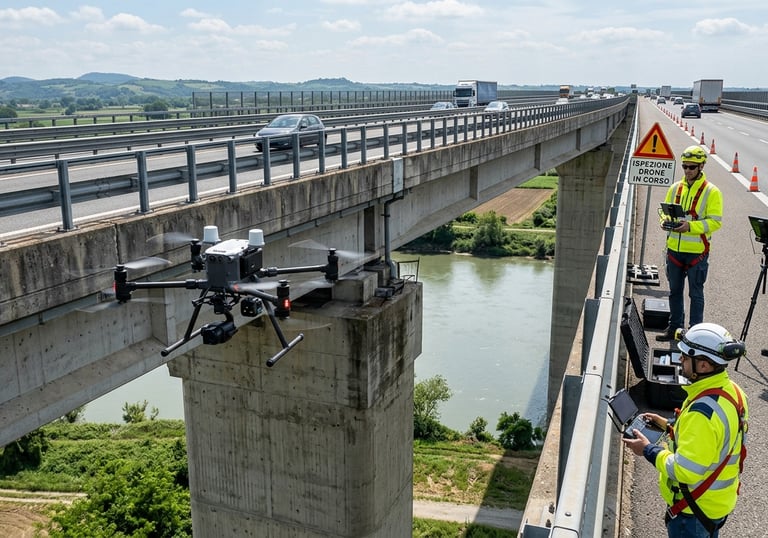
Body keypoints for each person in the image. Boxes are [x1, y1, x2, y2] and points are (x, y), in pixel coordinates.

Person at [623, 322, 748, 538]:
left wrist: (647, 449)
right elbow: (715, 440)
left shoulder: (702, 415)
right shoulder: (733, 392)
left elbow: (684, 470)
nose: (680, 360)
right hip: (715, 502)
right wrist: (668, 426)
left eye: (685, 357)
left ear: (704, 366)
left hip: (693, 511)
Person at [657, 146, 722, 342]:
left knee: (696, 294)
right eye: (685, 166)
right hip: (674, 251)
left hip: (696, 253)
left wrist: (690, 227)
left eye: (692, 167)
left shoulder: (712, 192)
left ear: (701, 166)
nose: (687, 171)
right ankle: (675, 327)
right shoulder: (675, 188)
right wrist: (664, 221)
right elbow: (664, 211)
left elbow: (715, 221)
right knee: (674, 292)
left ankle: (695, 334)